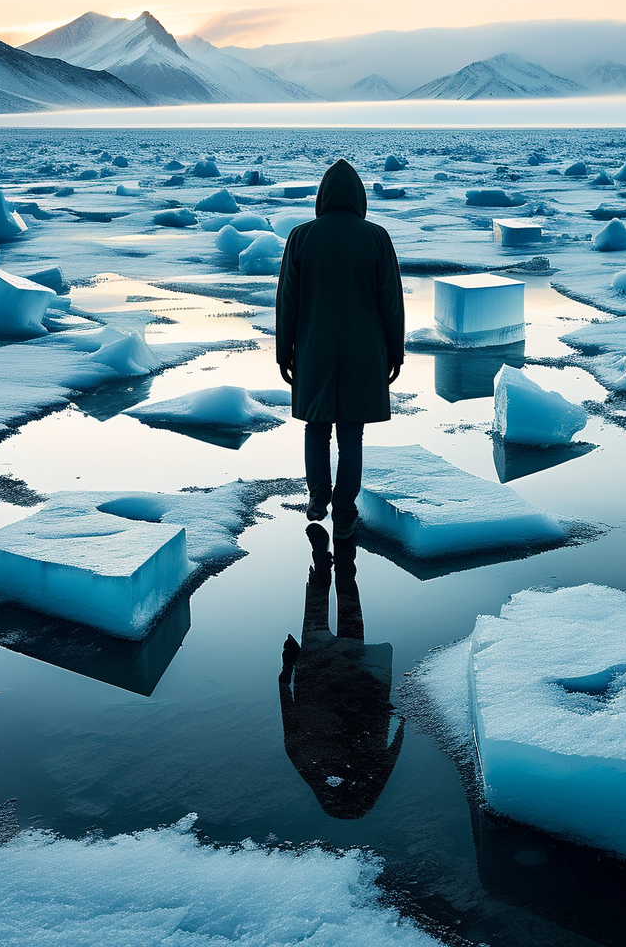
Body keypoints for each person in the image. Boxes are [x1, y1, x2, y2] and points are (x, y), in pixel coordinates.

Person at [276, 158, 404, 540]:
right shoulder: (377, 236)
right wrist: (395, 353)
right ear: (359, 197)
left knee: (316, 428)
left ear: (322, 196)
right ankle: (344, 511)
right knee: (352, 436)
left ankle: (318, 498)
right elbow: (391, 302)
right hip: (365, 352)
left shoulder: (301, 236)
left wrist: (285, 352)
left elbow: (287, 301)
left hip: (313, 349)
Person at [278, 524, 404, 819]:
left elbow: (396, 743)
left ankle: (331, 560)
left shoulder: (310, 764)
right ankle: (331, 560)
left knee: (339, 614)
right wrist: (286, 672)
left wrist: (287, 671)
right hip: (337, 679)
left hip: (339, 678)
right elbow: (290, 727)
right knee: (322, 616)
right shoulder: (307, 765)